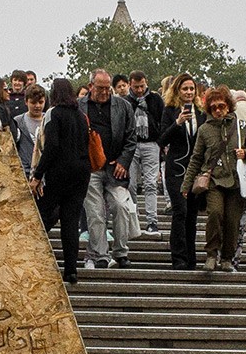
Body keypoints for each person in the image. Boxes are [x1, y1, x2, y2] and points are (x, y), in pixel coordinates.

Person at [183, 86, 246, 273]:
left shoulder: (241, 126)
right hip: (214, 180)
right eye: (213, 107)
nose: (217, 110)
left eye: (221, 106)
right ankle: (211, 254)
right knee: (215, 214)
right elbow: (196, 158)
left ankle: (227, 257)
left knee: (232, 220)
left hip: (236, 180)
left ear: (229, 106)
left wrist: (245, 153)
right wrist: (187, 184)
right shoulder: (205, 129)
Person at [29, 78, 92, 284]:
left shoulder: (53, 114)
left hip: (59, 173)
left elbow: (51, 147)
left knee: (43, 214)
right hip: (81, 173)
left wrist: (38, 175)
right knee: (70, 222)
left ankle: (32, 256)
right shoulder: (81, 116)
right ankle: (71, 270)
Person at [79, 71, 138, 269]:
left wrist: (123, 161)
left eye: (107, 88)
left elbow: (131, 137)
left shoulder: (123, 106)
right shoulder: (80, 107)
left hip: (115, 167)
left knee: (121, 206)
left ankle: (121, 251)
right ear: (90, 86)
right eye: (100, 88)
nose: (104, 92)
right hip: (91, 168)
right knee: (95, 213)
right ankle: (100, 254)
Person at [158, 76, 203, 270]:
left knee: (192, 214)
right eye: (185, 89)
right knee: (180, 211)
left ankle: (190, 257)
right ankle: (178, 258)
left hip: (195, 169)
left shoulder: (201, 112)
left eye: (191, 89)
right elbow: (161, 139)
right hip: (176, 168)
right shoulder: (169, 111)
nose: (189, 92)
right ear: (177, 91)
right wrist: (177, 123)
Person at [124, 71, 165, 237]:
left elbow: (162, 120)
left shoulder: (155, 99)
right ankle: (134, 218)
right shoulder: (125, 101)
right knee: (131, 184)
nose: (140, 90)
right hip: (132, 144)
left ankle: (152, 221)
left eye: (142, 86)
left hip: (151, 143)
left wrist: (161, 142)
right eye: (136, 87)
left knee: (150, 183)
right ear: (130, 85)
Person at [12, 84, 47, 179]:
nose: (37, 106)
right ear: (26, 102)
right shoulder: (18, 121)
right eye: (33, 103)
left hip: (45, 172)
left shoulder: (49, 120)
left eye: (40, 102)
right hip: (25, 172)